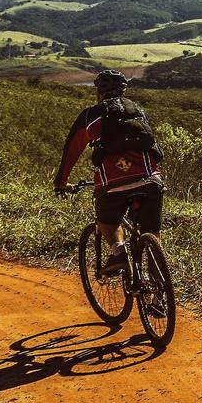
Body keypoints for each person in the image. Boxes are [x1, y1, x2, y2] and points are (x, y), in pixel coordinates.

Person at [53, 70, 164, 276]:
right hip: (150, 180)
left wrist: (62, 182)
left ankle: (118, 252)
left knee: (107, 221)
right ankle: (158, 299)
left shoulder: (90, 115)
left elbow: (71, 151)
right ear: (123, 91)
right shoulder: (138, 110)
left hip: (112, 184)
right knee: (152, 234)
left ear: (98, 92)